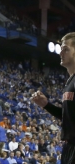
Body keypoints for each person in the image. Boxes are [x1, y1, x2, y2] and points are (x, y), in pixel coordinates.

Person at [31, 32, 75, 164]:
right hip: (69, 147)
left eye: (66, 49)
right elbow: (67, 117)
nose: (61, 53)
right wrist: (46, 105)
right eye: (61, 49)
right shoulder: (70, 81)